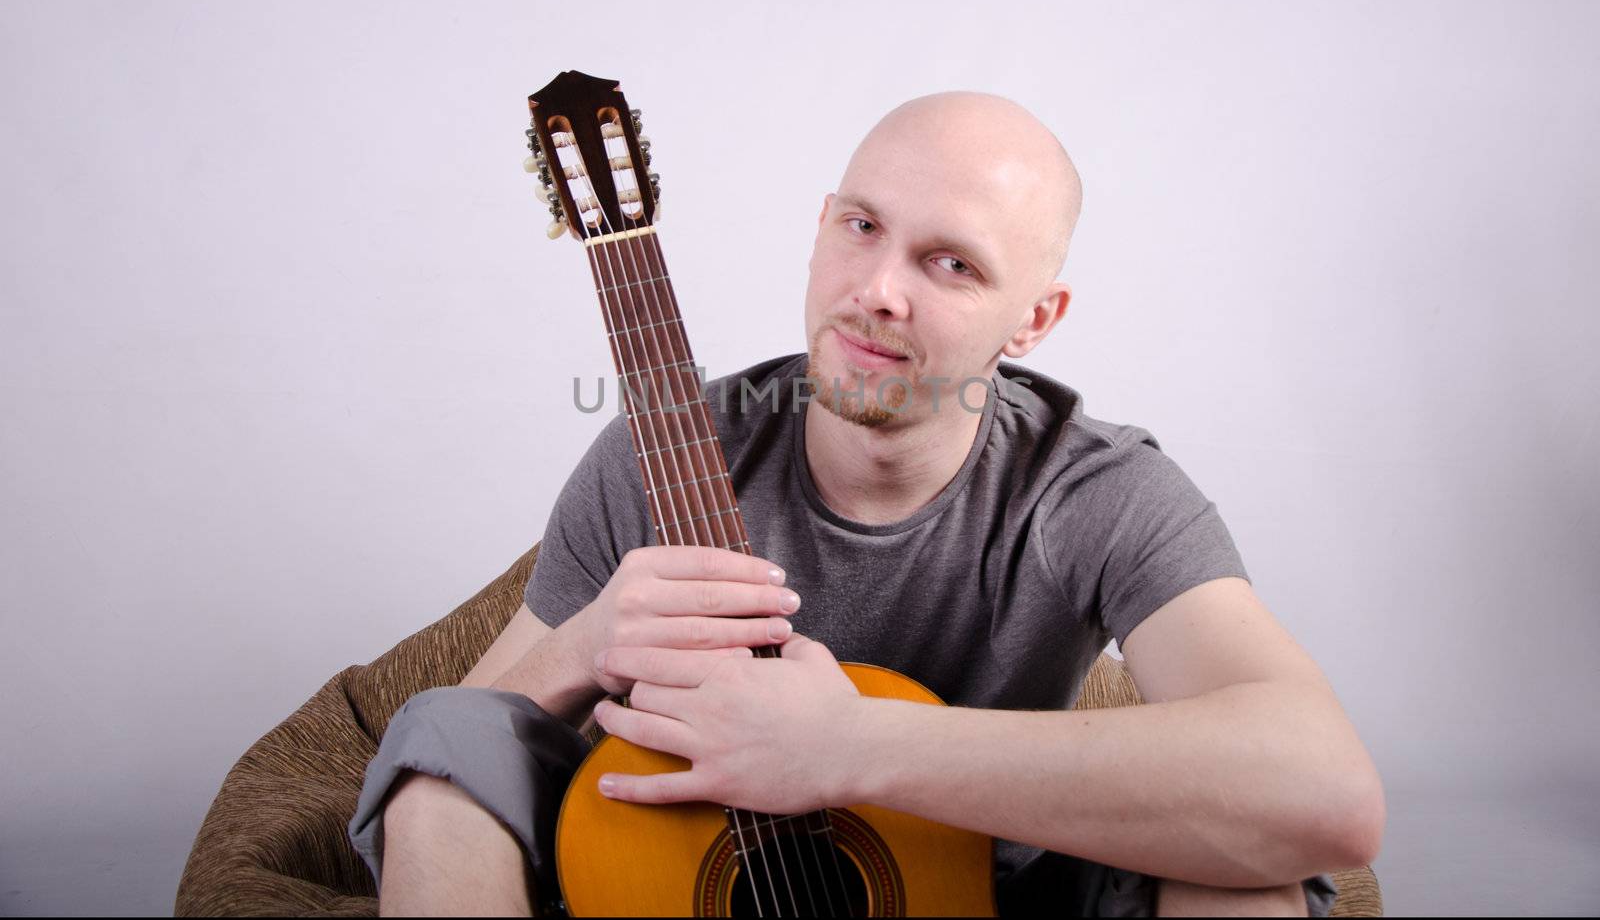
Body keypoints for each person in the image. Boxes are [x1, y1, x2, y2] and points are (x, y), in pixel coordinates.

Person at [348, 92, 1384, 916]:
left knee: (1242, 864)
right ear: (819, 229)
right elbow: (457, 743)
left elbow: (1323, 792)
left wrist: (851, 746)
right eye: (862, 226)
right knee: (438, 771)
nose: (878, 288)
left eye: (951, 263)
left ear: (1034, 319)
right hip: (690, 874)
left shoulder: (1097, 493)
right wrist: (585, 642)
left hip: (980, 888)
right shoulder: (656, 459)